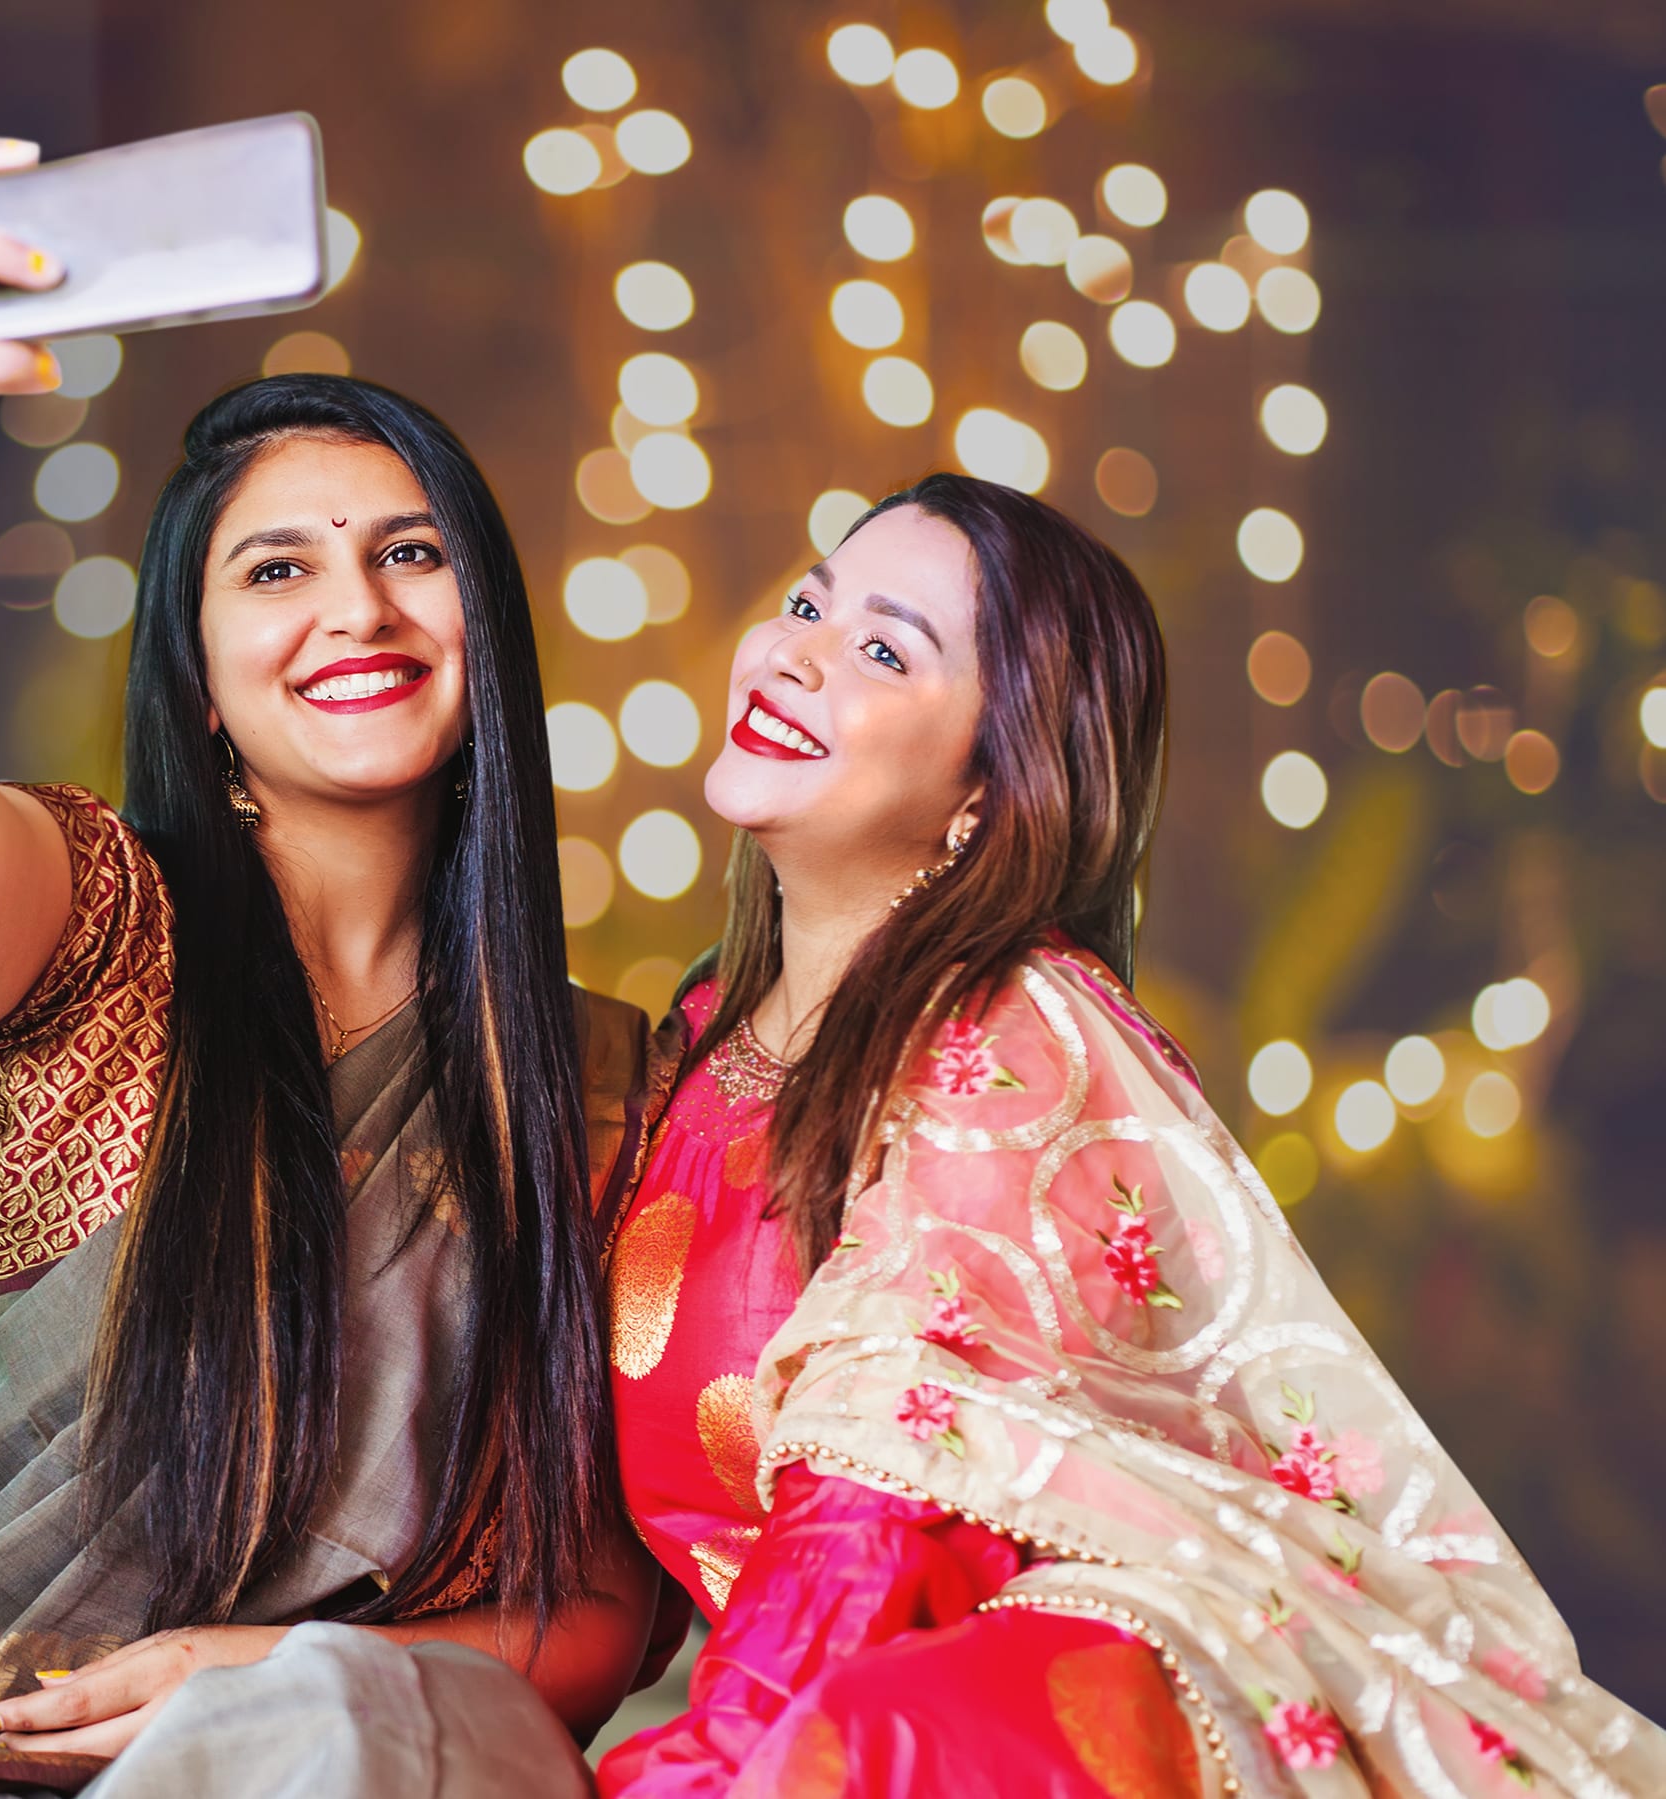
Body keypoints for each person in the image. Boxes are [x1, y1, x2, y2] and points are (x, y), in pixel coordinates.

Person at [0, 139, 660, 1797]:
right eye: (276, 570)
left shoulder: (595, 1080)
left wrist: (276, 1682)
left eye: (412, 555)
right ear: (199, 680)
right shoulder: (103, 944)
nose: (355, 607)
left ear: (486, 625)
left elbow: (601, 1618)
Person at [595, 474, 1664, 1796]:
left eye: (883, 648)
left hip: (1051, 1686)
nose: (796, 650)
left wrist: (684, 1772)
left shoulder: (1014, 1033)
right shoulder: (691, 1042)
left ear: (990, 782)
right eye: (812, 601)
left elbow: (875, 1510)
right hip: (807, 1680)